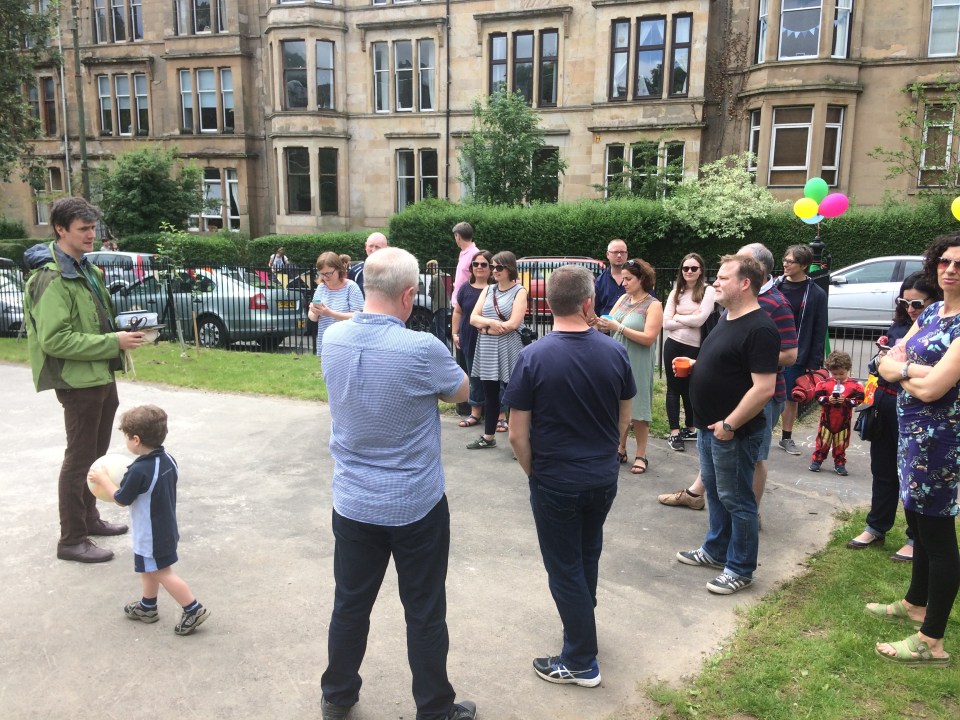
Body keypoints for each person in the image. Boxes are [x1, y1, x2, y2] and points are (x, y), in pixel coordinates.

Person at [318, 247, 476, 720]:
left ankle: (337, 695)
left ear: (365, 287)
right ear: (409, 295)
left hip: (353, 500)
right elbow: (461, 390)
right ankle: (435, 709)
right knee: (424, 610)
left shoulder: (334, 338)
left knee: (350, 604)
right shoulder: (421, 348)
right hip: (415, 504)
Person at [504, 265, 635, 688]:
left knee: (564, 567)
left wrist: (534, 472)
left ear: (548, 303)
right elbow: (625, 415)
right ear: (588, 303)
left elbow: (517, 434)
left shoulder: (533, 356)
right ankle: (582, 629)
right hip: (602, 476)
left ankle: (580, 660)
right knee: (586, 553)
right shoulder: (614, 352)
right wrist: (610, 451)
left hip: (556, 479)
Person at [22, 197, 145, 563]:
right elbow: (55, 340)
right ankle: (72, 539)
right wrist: (113, 342)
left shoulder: (85, 269)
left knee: (95, 457)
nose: (91, 235)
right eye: (83, 229)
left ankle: (89, 518)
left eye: (93, 228)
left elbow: (93, 322)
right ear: (61, 230)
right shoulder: (51, 278)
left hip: (100, 374)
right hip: (77, 383)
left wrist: (123, 330)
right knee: (78, 460)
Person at [871, 234, 960, 667]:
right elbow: (886, 361)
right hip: (911, 434)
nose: (951, 270)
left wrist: (903, 371)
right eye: (945, 261)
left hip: (942, 442)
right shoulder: (930, 312)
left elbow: (933, 390)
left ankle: (932, 640)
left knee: (938, 535)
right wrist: (913, 370)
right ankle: (915, 603)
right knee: (920, 526)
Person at [658, 243, 796, 511]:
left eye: (738, 262)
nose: (719, 279)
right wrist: (703, 364)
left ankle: (749, 514)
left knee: (752, 460)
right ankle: (699, 495)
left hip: (756, 398)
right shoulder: (732, 304)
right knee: (719, 463)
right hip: (724, 404)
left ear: (752, 274)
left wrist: (742, 360)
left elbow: (789, 355)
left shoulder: (776, 305)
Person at [674, 254, 779, 595]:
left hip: (733, 432)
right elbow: (728, 362)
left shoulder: (760, 328)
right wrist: (697, 364)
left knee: (738, 499)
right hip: (709, 428)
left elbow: (764, 388)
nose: (714, 282)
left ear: (745, 283)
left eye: (722, 278)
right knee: (717, 493)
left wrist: (730, 424)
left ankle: (741, 569)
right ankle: (716, 550)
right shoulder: (727, 316)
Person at [87, 405, 209, 636]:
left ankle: (193, 609)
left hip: (150, 533)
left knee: (162, 572)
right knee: (149, 568)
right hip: (165, 528)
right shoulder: (168, 460)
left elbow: (121, 499)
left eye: (126, 436)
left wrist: (103, 479)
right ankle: (147, 606)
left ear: (136, 440)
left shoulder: (139, 470)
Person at [847, 272, 939, 560]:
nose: (910, 309)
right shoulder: (900, 326)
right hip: (886, 404)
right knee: (883, 469)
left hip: (918, 409)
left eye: (917, 304)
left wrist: (896, 369)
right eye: (904, 302)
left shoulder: (939, 331)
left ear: (934, 301)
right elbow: (881, 368)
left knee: (915, 475)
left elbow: (930, 377)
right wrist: (882, 359)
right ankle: (876, 526)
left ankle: (915, 538)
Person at [597, 259, 663, 475]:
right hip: (618, 361)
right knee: (618, 406)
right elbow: (608, 323)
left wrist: (619, 327)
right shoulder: (623, 299)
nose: (623, 282)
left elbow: (649, 338)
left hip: (639, 362)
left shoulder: (653, 305)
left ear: (642, 279)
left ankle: (641, 455)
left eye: (628, 279)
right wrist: (597, 323)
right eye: (623, 278)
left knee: (639, 409)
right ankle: (621, 448)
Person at [466, 251, 528, 449]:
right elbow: (473, 318)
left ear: (509, 268)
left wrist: (485, 328)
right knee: (490, 393)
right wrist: (491, 323)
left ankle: (519, 441)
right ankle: (488, 436)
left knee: (515, 395)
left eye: (498, 267)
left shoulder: (520, 291)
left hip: (509, 346)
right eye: (492, 266)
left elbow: (513, 323)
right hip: (488, 347)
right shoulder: (488, 289)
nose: (494, 270)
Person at [662, 253, 716, 452]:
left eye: (694, 268)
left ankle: (691, 427)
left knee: (692, 388)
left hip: (696, 347)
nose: (689, 272)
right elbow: (665, 323)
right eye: (686, 268)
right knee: (673, 388)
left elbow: (700, 320)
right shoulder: (676, 292)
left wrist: (678, 316)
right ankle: (675, 431)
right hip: (674, 345)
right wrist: (688, 317)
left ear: (701, 270)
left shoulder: (708, 291)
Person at [777, 244, 828, 454]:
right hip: (770, 349)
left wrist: (814, 362)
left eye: (791, 261)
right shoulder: (775, 286)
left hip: (796, 352)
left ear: (804, 265)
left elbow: (819, 328)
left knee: (791, 396)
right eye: (785, 260)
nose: (785, 264)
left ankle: (786, 437)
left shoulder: (816, 293)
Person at [451, 250, 493, 429]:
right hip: (469, 338)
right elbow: (458, 312)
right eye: (476, 264)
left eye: (484, 264)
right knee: (474, 378)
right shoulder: (465, 288)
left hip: (492, 340)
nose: (479, 267)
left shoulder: (496, 288)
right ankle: (475, 413)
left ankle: (499, 414)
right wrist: (455, 333)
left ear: (491, 267)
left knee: (494, 378)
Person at [807, 351, 864, 476]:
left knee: (841, 444)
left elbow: (859, 400)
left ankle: (839, 463)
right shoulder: (824, 384)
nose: (838, 377)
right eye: (834, 374)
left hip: (843, 422)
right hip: (826, 421)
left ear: (848, 369)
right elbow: (818, 398)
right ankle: (817, 460)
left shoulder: (854, 385)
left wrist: (847, 401)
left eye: (841, 374)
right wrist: (828, 399)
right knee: (822, 442)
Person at [308, 251, 364, 358]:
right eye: (322, 274)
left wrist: (330, 313)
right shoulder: (321, 288)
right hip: (326, 343)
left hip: (347, 344)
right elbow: (313, 318)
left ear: (338, 269)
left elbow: (358, 316)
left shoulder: (351, 287)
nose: (325, 277)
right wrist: (314, 311)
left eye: (329, 273)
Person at [593, 238, 629, 316]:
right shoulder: (600, 282)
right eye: (615, 252)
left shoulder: (638, 279)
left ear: (627, 254)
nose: (619, 255)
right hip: (605, 322)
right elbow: (595, 309)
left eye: (622, 252)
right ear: (607, 254)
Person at [450, 222, 478, 308]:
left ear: (458, 236)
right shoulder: (464, 253)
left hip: (467, 302)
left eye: (455, 236)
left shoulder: (475, 254)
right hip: (458, 302)